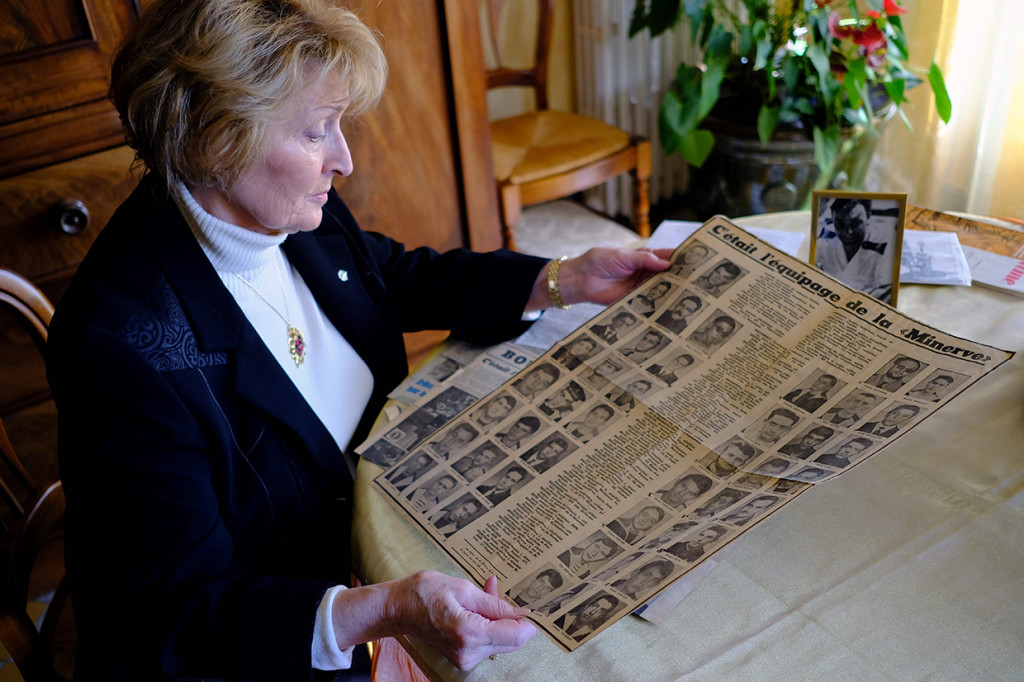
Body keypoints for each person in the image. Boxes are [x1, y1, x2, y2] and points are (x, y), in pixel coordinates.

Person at [44, 1, 676, 678]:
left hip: (379, 541)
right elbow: (174, 615)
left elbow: (393, 277)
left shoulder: (286, 207)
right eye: (317, 131)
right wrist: (380, 612)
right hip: (267, 644)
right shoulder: (123, 347)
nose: (342, 158)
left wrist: (561, 277)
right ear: (218, 141)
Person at [814, 198, 895, 302]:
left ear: (868, 216)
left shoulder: (886, 242)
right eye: (839, 225)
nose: (848, 232)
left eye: (856, 223)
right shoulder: (824, 243)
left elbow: (886, 291)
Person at [554, 593, 622, 641]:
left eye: (601, 611)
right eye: (595, 605)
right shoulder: (561, 616)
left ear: (602, 616)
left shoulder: (589, 636)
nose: (592, 612)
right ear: (587, 605)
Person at [611, 559, 675, 600]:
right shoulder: (611, 580)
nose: (644, 582)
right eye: (646, 575)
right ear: (635, 572)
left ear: (654, 585)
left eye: (654, 580)